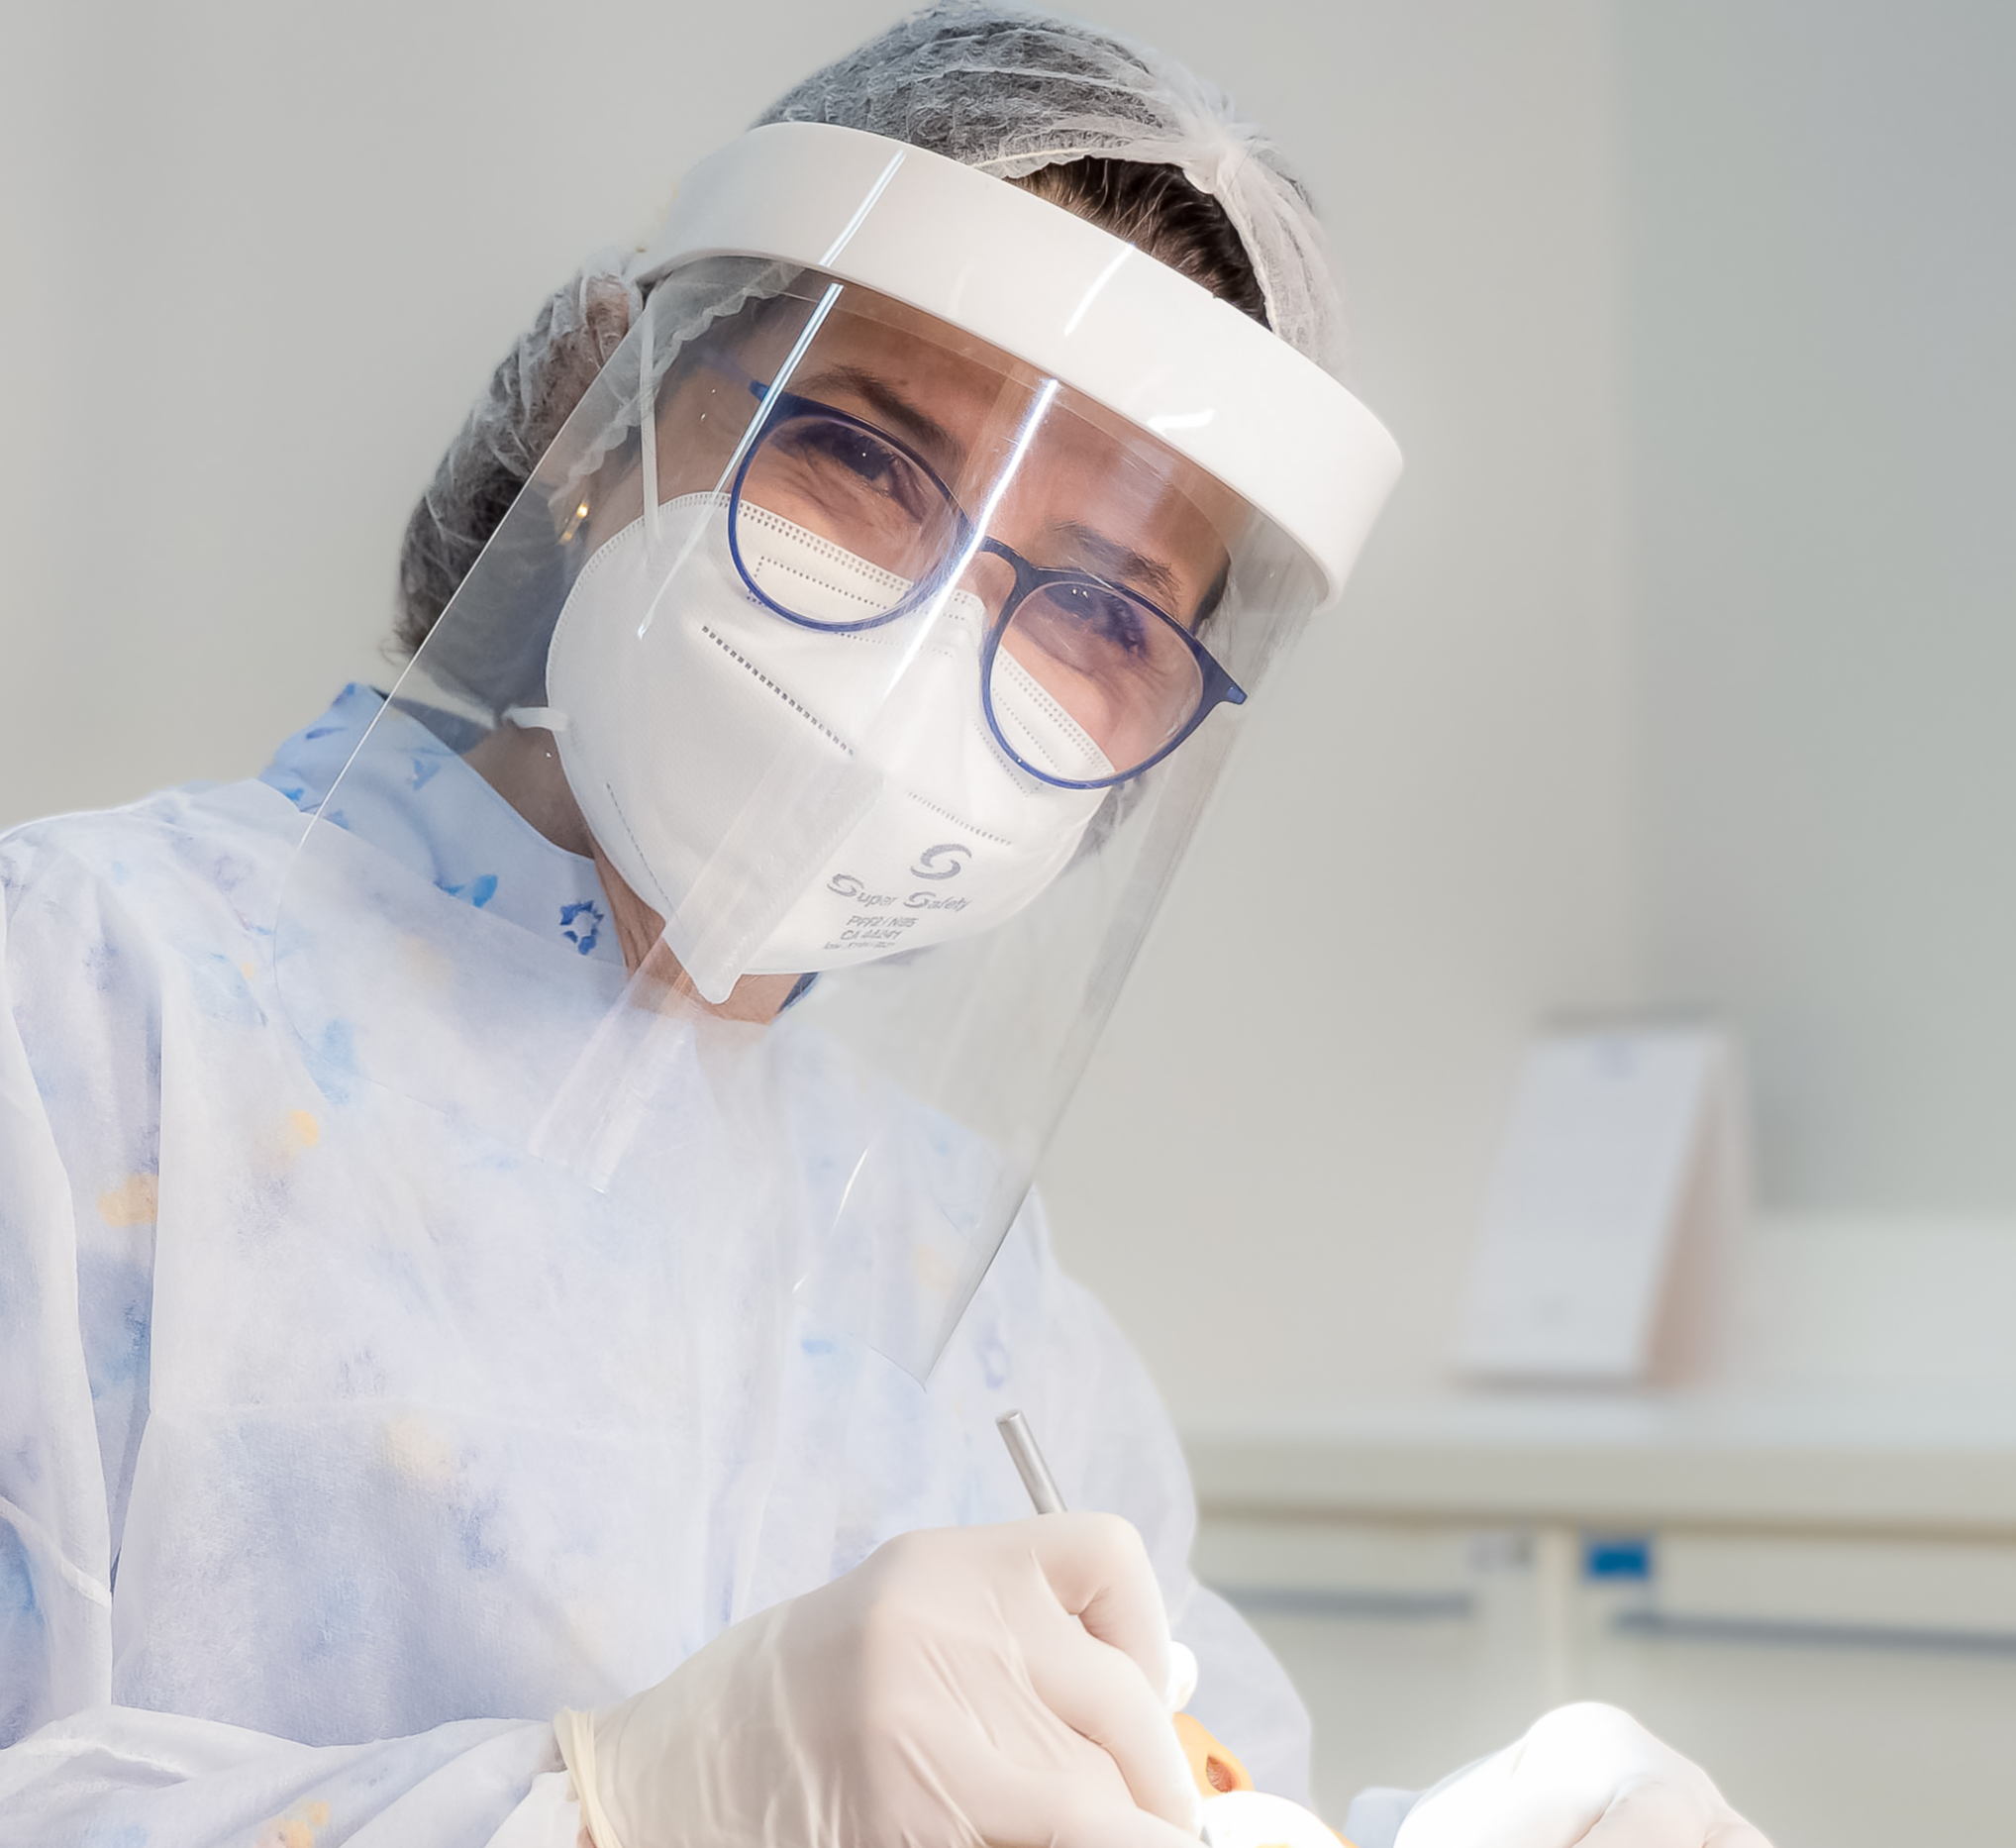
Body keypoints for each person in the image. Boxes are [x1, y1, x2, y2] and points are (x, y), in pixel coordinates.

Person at [0, 5, 1767, 1845]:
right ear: (607, 420)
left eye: (1097, 605)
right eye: (864, 451)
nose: (930, 645)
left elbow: (1190, 1796)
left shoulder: (968, 1299)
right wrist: (609, 1807)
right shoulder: (79, 1011)